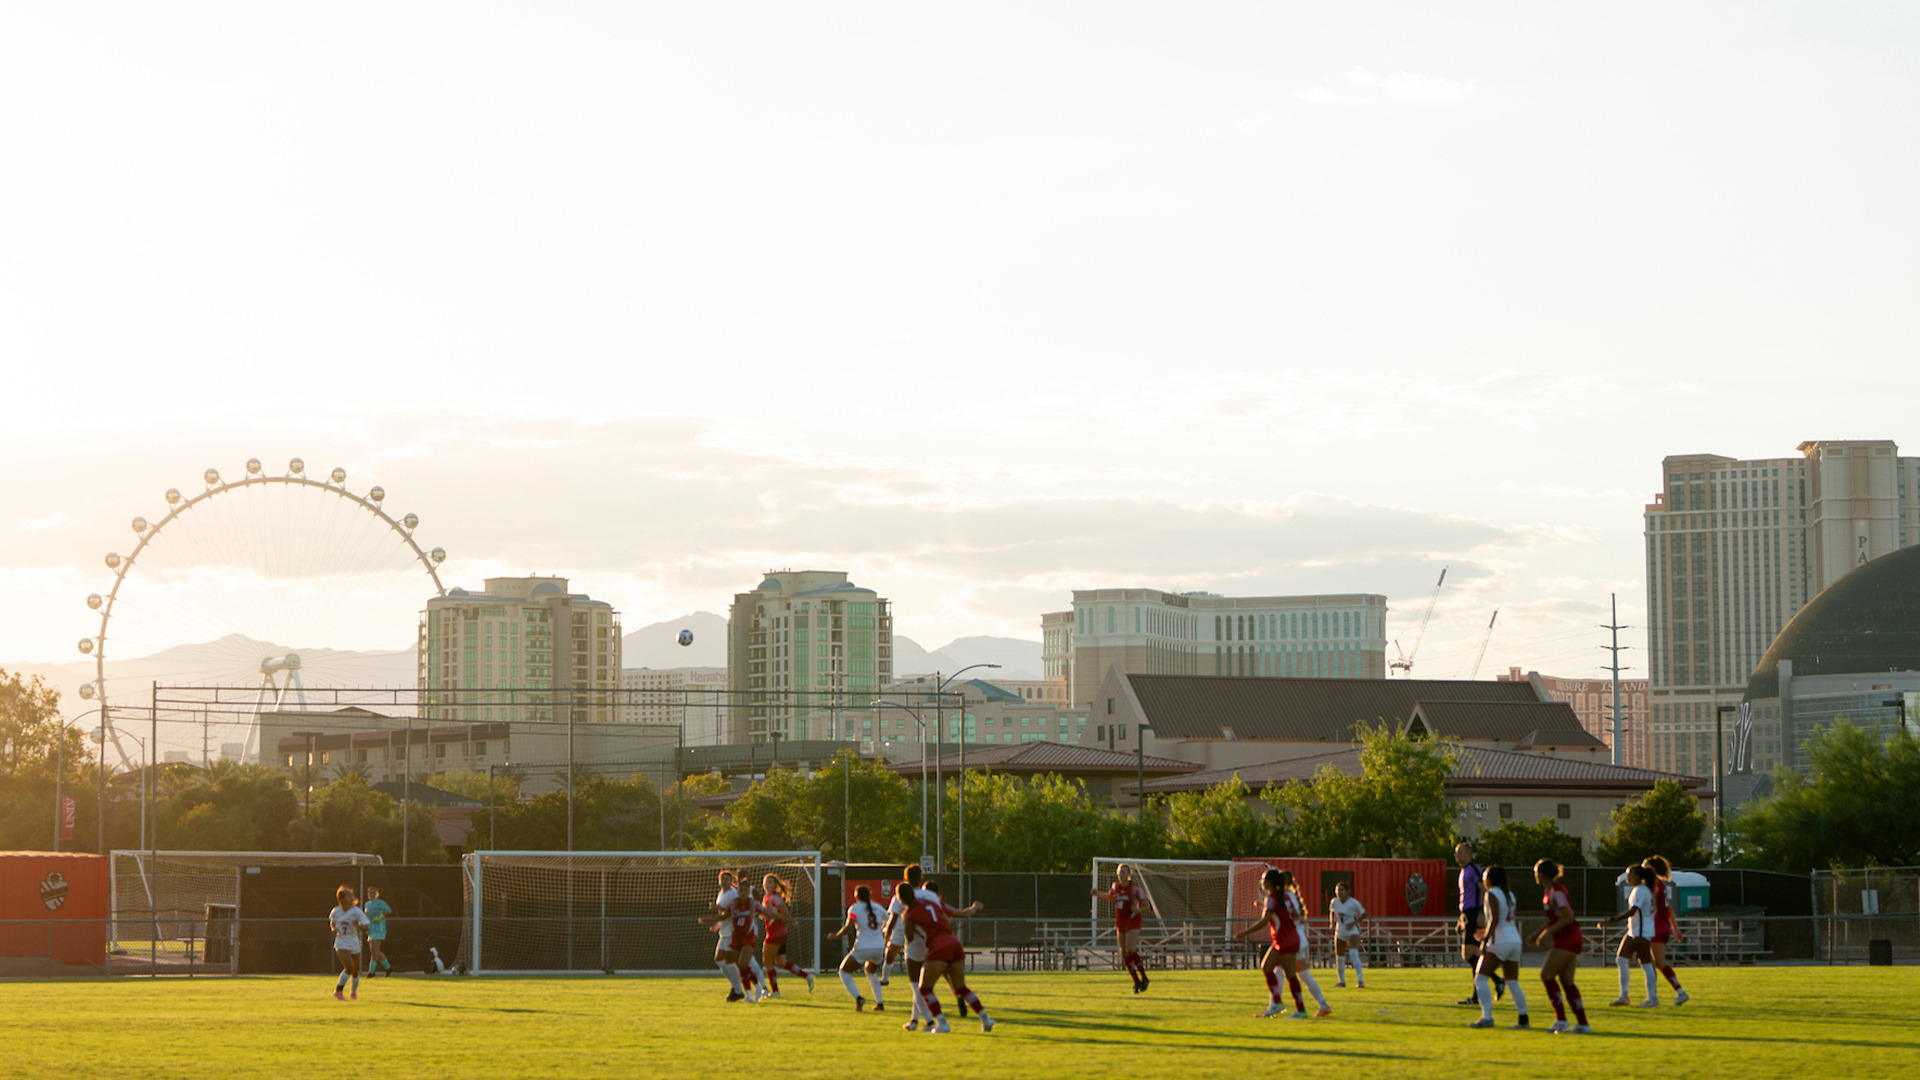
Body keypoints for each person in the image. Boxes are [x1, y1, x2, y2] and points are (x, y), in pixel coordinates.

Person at [898, 881, 994, 1034]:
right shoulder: (932, 903)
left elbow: (909, 938)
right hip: (953, 941)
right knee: (960, 987)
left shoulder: (910, 914)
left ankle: (942, 1023)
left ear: (901, 899)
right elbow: (947, 921)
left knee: (924, 988)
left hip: (938, 945)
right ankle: (986, 1019)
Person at [1526, 859, 1591, 1035]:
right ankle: (1583, 1023)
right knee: (1567, 981)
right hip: (1568, 938)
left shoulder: (1557, 891)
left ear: (1542, 874)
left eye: (1536, 872)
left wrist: (1546, 934)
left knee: (1546, 975)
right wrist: (1537, 932)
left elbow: (1567, 917)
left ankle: (1561, 1020)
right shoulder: (1550, 891)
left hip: (1568, 938)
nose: (1535, 875)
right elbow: (1552, 919)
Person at [1235, 867, 1309, 1019]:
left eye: (1263, 880)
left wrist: (1244, 933)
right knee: (1267, 967)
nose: (1261, 882)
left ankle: (1300, 1010)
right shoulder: (1285, 896)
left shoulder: (1273, 898)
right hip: (1284, 939)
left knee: (1290, 975)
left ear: (1268, 882)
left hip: (1286, 939)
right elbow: (1291, 914)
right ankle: (1277, 1002)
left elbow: (1264, 921)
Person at [1468, 866, 1530, 1029]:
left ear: (1491, 879)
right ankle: (1523, 1019)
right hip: (1514, 939)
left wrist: (1484, 941)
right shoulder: (1510, 894)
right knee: (1512, 982)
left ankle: (1487, 1017)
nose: (1483, 879)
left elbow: (1494, 919)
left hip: (1500, 941)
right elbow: (1502, 919)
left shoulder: (1491, 893)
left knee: (1480, 979)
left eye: (1485, 876)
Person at [882, 865, 942, 1031]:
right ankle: (914, 1021)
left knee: (917, 986)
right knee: (923, 985)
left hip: (913, 941)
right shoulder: (930, 894)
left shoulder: (902, 894)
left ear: (905, 878)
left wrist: (887, 936)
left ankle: (930, 1022)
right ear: (921, 878)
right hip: (932, 939)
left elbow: (893, 919)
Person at [1600, 865, 1658, 1008]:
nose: (1628, 877)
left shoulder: (1642, 891)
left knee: (1645, 962)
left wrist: (1611, 920)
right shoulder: (1638, 890)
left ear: (1638, 876)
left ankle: (1653, 999)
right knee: (1621, 959)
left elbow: (1633, 911)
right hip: (1634, 931)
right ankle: (1624, 996)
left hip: (1642, 932)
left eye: (1630, 874)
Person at [828, 884, 890, 1011]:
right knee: (870, 971)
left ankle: (858, 998)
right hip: (879, 947)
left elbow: (849, 926)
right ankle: (879, 1003)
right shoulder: (878, 907)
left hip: (863, 946)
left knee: (843, 971)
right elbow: (889, 922)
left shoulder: (854, 908)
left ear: (856, 896)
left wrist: (836, 936)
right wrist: (882, 932)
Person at [1091, 863, 1151, 993]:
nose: (1121, 874)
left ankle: (1144, 977)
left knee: (1130, 949)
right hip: (1121, 921)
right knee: (1123, 952)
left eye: (1124, 872)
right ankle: (1136, 982)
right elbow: (1112, 897)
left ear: (1128, 874)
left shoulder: (1135, 888)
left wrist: (1138, 909)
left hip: (1133, 920)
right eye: (1119, 872)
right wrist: (1097, 894)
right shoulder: (1115, 886)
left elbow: (1147, 906)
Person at [1455, 842, 1502, 1005]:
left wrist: (1483, 912)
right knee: (1474, 956)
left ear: (1469, 854)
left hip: (1475, 913)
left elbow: (1485, 891)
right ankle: (1477, 996)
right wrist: (1461, 917)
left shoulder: (1474, 870)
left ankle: (1496, 980)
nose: (1457, 855)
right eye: (1456, 852)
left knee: (1467, 954)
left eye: (1460, 852)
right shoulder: (1463, 872)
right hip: (1468, 914)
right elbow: (1465, 897)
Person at [1641, 856, 1691, 1006]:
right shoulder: (1660, 885)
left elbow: (1653, 906)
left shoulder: (1653, 886)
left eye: (1645, 867)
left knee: (1656, 962)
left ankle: (1670, 994)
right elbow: (1669, 908)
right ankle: (1656, 996)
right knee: (1654, 962)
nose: (1643, 869)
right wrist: (1675, 929)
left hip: (1655, 927)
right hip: (1661, 927)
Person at [698, 870, 754, 1002]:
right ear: (719, 881)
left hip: (732, 932)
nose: (724, 881)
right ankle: (736, 988)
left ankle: (739, 990)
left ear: (731, 881)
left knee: (729, 962)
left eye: (727, 879)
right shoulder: (721, 894)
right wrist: (717, 925)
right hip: (724, 932)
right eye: (722, 879)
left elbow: (730, 913)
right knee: (719, 960)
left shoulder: (733, 894)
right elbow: (724, 914)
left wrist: (710, 918)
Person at [758, 874, 814, 998]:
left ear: (775, 885)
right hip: (780, 933)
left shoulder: (774, 898)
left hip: (775, 933)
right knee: (781, 962)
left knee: (767, 961)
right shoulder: (767, 898)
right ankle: (807, 976)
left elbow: (784, 912)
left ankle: (775, 992)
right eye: (765, 882)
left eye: (770, 882)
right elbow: (766, 914)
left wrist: (785, 919)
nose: (767, 884)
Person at [328, 885, 371, 1002]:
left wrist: (359, 925)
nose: (352, 897)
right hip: (341, 941)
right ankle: (338, 990)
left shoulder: (356, 912)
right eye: (348, 895)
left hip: (353, 941)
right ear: (342, 898)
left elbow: (366, 926)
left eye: (352, 895)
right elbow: (332, 922)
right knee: (349, 966)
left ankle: (353, 992)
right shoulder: (336, 911)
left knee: (355, 970)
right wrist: (334, 929)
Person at [1328, 881, 1368, 989]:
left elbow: (1364, 915)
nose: (1339, 892)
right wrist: (1331, 923)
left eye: (1341, 890)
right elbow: (1331, 912)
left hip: (1352, 931)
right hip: (1340, 931)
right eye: (1337, 890)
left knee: (1354, 954)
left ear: (1347, 891)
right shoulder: (1334, 902)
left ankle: (1360, 980)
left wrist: (1354, 923)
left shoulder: (1353, 903)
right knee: (1339, 957)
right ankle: (1341, 981)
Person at [363, 886, 392, 977]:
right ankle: (388, 968)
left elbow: (388, 911)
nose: (371, 894)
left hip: (379, 928)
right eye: (369, 892)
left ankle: (371, 972)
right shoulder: (367, 904)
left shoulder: (380, 903)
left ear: (376, 894)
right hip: (371, 929)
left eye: (373, 892)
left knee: (374, 951)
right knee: (375, 951)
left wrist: (379, 917)